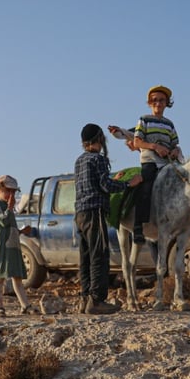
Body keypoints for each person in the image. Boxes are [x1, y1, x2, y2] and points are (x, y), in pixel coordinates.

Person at [75, 124, 142, 314]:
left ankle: (85, 298)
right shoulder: (98, 159)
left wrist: (115, 178)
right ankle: (97, 301)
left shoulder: (80, 160)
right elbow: (105, 186)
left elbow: (96, 182)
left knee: (85, 257)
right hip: (95, 211)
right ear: (100, 139)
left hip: (80, 213)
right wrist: (128, 183)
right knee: (99, 255)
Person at [108, 84, 183, 245]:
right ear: (149, 103)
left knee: (184, 183)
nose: (158, 103)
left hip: (166, 163)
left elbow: (175, 144)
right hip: (150, 161)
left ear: (167, 103)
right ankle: (137, 227)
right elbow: (137, 141)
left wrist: (175, 151)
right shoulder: (144, 119)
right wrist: (155, 146)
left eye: (162, 100)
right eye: (154, 100)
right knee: (145, 186)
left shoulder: (170, 124)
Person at [0, 175, 34, 316]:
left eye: (13, 192)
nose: (11, 195)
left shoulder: (8, 207)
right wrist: (9, 207)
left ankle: (25, 305)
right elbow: (3, 221)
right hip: (3, 247)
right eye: (8, 191)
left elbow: (9, 227)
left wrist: (20, 232)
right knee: (0, 277)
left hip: (13, 246)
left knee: (17, 277)